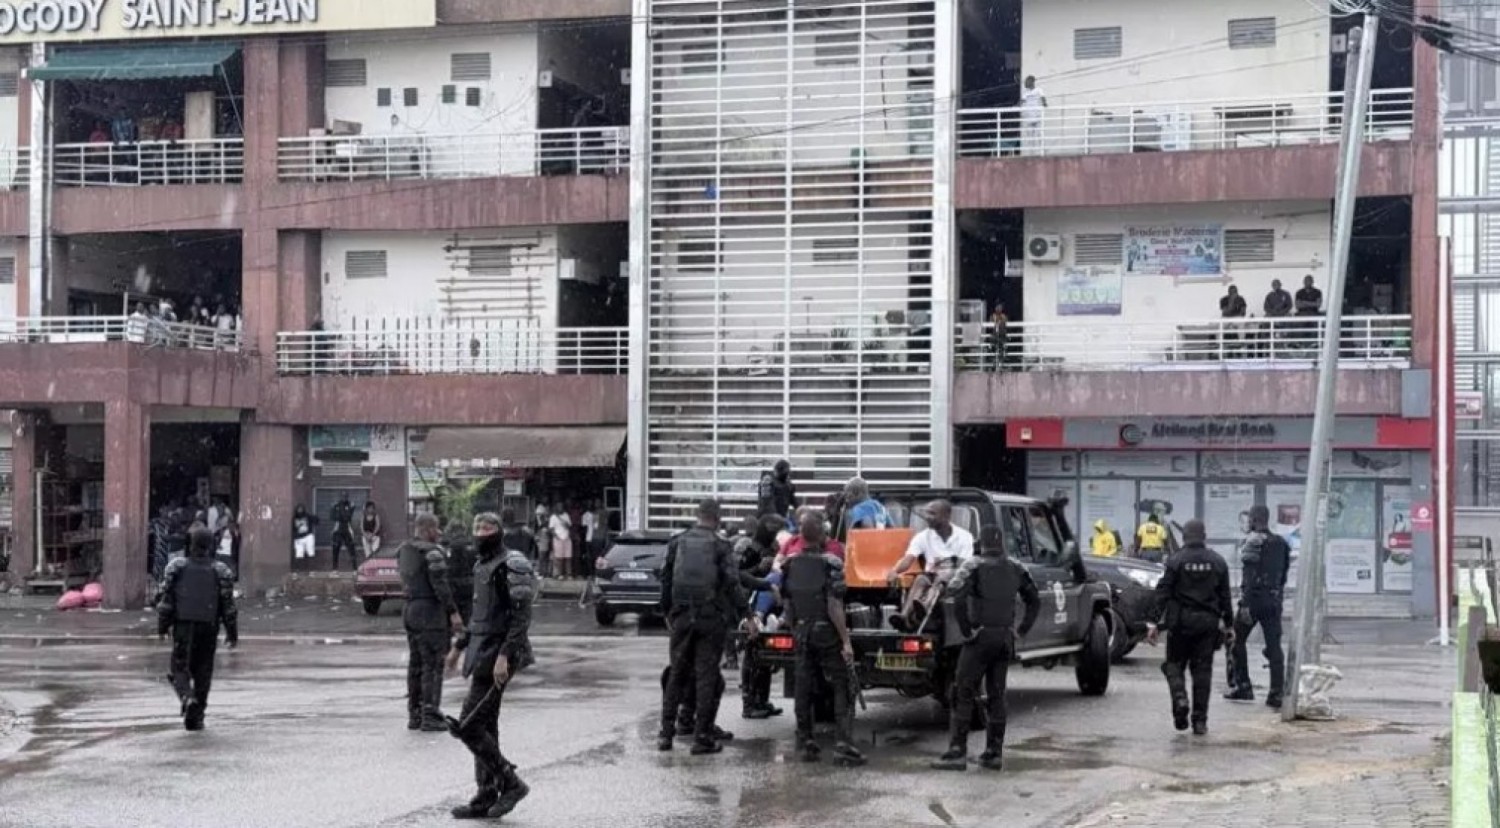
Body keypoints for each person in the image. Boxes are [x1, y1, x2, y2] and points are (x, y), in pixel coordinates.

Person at [445, 512, 537, 821]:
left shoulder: (513, 563)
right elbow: (479, 616)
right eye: (477, 527)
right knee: (485, 725)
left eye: (487, 527)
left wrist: (504, 655)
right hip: (481, 653)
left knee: (468, 725)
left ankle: (511, 784)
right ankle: (485, 795)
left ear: (499, 531)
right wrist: (459, 647)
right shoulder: (481, 565)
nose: (481, 532)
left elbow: (521, 617)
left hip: (502, 654)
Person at [932, 525, 1040, 772]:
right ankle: (994, 752)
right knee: (997, 695)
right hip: (1004, 637)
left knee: (962, 691)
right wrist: (1021, 629)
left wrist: (966, 629)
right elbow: (1034, 599)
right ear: (1001, 543)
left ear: (981, 543)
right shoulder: (1016, 567)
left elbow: (956, 595)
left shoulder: (974, 565)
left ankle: (957, 752)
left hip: (980, 637)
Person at [657, 499, 740, 755]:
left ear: (698, 515)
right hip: (710, 617)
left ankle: (666, 734)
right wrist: (746, 614)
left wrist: (667, 611)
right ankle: (701, 737)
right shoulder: (721, 545)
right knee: (707, 676)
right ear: (717, 518)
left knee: (677, 674)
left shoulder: (677, 542)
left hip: (682, 616)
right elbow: (732, 583)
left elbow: (665, 579)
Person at [782, 511, 864, 766]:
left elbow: (786, 602)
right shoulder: (831, 563)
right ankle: (843, 744)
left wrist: (794, 627)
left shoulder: (789, 563)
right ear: (822, 535)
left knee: (803, 686)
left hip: (802, 630)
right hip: (825, 631)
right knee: (841, 684)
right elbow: (834, 605)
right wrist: (846, 640)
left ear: (801, 535)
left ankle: (806, 739)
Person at [1147, 520, 1234, 735]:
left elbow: (1162, 592)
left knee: (1173, 665)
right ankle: (1200, 721)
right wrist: (1229, 625)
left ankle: (1180, 698)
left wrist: (1153, 622)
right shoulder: (1218, 562)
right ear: (1204, 536)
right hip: (1207, 625)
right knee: (1202, 672)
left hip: (1180, 624)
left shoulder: (1176, 561)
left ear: (1184, 537)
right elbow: (1225, 597)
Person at [156, 527, 238, 731]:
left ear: (190, 544)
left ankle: (186, 697)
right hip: (209, 625)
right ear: (211, 545)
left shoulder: (177, 567)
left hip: (184, 624)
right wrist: (231, 631)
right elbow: (228, 606)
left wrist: (163, 625)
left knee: (179, 666)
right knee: (203, 671)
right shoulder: (221, 570)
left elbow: (167, 601)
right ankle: (197, 714)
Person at [398, 513, 461, 732]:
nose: (439, 532)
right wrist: (453, 612)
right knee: (433, 664)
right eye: (436, 528)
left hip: (410, 610)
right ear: (427, 529)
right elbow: (441, 586)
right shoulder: (432, 553)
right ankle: (430, 714)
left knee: (415, 663)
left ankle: (415, 713)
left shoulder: (405, 550)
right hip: (430, 613)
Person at [1225, 505, 1292, 708]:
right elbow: (1283, 574)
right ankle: (1276, 693)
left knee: (1236, 639)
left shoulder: (1253, 541)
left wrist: (1245, 604)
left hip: (1254, 601)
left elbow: (1250, 575)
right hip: (1273, 601)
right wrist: (1277, 596)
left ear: (1254, 519)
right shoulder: (1281, 543)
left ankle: (1243, 686)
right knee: (1274, 646)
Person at [885, 499, 975, 632]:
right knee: (920, 579)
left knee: (943, 576)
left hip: (954, 577)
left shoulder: (964, 536)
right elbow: (908, 559)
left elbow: (964, 565)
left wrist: (946, 568)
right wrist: (894, 571)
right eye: (927, 513)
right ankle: (904, 616)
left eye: (932, 513)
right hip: (931, 575)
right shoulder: (922, 536)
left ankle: (924, 606)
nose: (927, 517)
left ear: (946, 516)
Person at [738, 514, 788, 720]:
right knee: (753, 655)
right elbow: (739, 576)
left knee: (765, 657)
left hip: (770, 607)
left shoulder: (774, 548)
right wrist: (759, 569)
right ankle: (749, 704)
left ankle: (762, 700)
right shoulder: (750, 549)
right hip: (752, 606)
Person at [446, 519, 478, 626]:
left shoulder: (448, 548)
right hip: (470, 585)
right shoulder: (473, 546)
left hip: (453, 587)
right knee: (469, 618)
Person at [757, 459, 799, 528]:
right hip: (767, 521)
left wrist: (803, 513)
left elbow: (795, 502)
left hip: (781, 519)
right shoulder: (768, 482)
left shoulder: (787, 485)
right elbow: (767, 504)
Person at [1019, 75, 1047, 154]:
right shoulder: (1026, 93)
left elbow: (1043, 97)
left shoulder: (1038, 90)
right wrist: (1015, 107)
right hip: (1029, 117)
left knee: (1039, 135)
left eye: (1027, 81)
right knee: (1030, 137)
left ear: (1032, 82)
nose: (1025, 83)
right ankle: (1031, 153)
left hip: (1037, 116)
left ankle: (1042, 152)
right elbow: (1021, 101)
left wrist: (1044, 103)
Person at [330, 494, 358, 571]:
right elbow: (333, 517)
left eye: (345, 497)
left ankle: (355, 568)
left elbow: (348, 517)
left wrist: (349, 511)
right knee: (335, 549)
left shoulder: (350, 505)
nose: (344, 498)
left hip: (347, 528)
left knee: (351, 548)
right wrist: (334, 509)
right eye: (343, 497)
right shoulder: (337, 505)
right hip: (338, 529)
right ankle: (335, 569)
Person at [548, 507, 573, 579]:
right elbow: (551, 529)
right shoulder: (553, 517)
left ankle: (569, 574)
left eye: (561, 506)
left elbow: (569, 526)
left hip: (567, 538)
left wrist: (562, 520)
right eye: (558, 506)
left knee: (568, 557)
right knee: (559, 558)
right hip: (558, 539)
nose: (560, 508)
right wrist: (556, 537)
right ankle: (560, 574)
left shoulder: (566, 515)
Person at [533, 504, 553, 578]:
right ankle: (541, 572)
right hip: (542, 538)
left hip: (549, 539)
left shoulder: (550, 519)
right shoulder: (540, 519)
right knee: (542, 556)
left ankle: (546, 572)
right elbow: (538, 529)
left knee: (547, 557)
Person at [989, 304, 1009, 370]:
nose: (998, 309)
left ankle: (1000, 364)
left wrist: (1000, 321)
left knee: (1002, 350)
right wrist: (995, 321)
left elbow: (1005, 323)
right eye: (997, 308)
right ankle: (994, 363)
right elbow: (990, 324)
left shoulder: (1004, 316)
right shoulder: (993, 316)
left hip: (1001, 337)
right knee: (993, 349)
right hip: (995, 336)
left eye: (1000, 308)